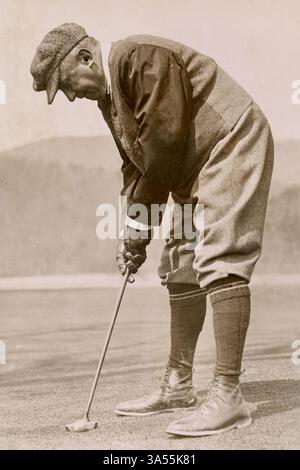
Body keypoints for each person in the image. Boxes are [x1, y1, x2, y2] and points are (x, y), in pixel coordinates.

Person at [30, 23, 274, 436]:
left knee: (219, 257)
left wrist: (139, 226)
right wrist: (132, 233)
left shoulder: (138, 57)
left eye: (66, 85)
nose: (71, 96)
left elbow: (163, 142)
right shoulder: (109, 99)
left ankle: (228, 395)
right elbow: (137, 165)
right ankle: (179, 385)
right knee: (181, 262)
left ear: (85, 58)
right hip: (191, 165)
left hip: (231, 141)